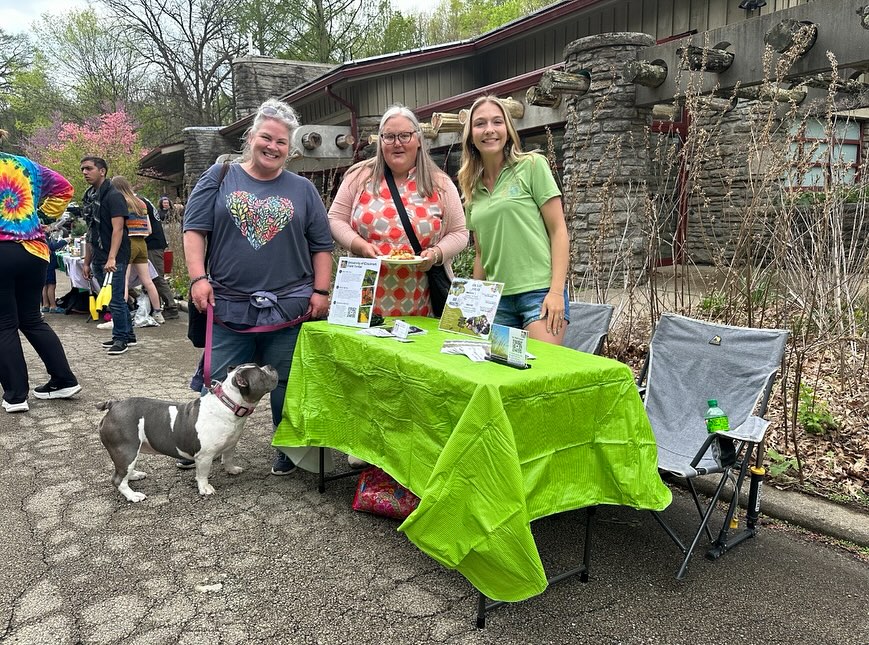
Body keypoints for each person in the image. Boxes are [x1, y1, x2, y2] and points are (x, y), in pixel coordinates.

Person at [182, 98, 333, 475]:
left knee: (286, 384)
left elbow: (322, 245)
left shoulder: (303, 189)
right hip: (228, 305)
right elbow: (194, 230)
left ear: (291, 148)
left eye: (282, 142)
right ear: (251, 137)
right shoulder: (218, 177)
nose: (273, 146)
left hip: (289, 307)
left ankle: (288, 447)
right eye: (266, 137)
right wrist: (198, 278)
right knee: (216, 382)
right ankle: (199, 443)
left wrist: (321, 291)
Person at [329, 104, 468, 317]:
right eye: (389, 136)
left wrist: (436, 254)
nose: (397, 144)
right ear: (380, 142)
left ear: (419, 140)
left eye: (405, 136)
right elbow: (335, 219)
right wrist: (360, 246)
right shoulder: (359, 177)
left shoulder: (439, 183)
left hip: (421, 299)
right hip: (363, 296)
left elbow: (460, 233)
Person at [458, 95, 570, 345]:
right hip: (496, 300)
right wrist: (476, 301)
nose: (489, 130)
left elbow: (559, 230)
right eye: (480, 124)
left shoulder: (532, 166)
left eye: (497, 122)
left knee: (538, 373)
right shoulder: (470, 187)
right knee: (498, 376)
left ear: (508, 130)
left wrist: (556, 292)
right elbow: (480, 253)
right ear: (471, 135)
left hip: (539, 294)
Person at [0, 129, 82, 412]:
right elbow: (64, 187)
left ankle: (15, 396)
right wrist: (41, 216)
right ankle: (64, 379)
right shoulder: (25, 165)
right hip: (34, 250)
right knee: (31, 319)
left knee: (3, 324)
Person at [80, 156, 134, 355]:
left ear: (102, 171)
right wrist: (87, 262)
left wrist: (112, 257)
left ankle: (121, 339)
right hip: (99, 254)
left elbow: (118, 229)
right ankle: (128, 334)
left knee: (115, 298)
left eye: (89, 168)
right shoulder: (90, 196)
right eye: (83, 169)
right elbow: (90, 231)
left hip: (115, 256)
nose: (85, 173)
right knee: (113, 297)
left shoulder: (113, 195)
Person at [111, 176, 164, 324]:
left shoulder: (121, 202)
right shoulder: (141, 203)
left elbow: (119, 226)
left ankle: (122, 315)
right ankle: (158, 312)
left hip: (128, 243)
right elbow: (149, 229)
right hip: (142, 243)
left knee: (124, 281)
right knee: (148, 281)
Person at [146, 196, 180, 320]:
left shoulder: (139, 203)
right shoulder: (145, 200)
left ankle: (171, 308)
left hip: (153, 244)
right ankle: (157, 306)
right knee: (152, 277)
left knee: (156, 277)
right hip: (155, 243)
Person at [42, 225, 68, 313]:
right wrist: (64, 241)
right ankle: (53, 306)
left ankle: (45, 305)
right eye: (47, 227)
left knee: (45, 285)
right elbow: (52, 247)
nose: (50, 228)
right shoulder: (44, 237)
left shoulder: (40, 236)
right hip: (48, 264)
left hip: (43, 263)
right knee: (51, 285)